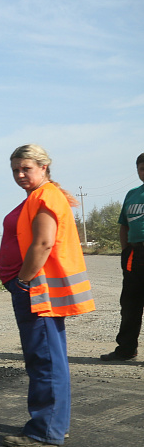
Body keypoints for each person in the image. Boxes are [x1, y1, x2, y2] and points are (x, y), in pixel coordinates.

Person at [0, 144, 95, 447]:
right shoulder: (39, 196)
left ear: (44, 167)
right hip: (36, 290)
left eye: (26, 168)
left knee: (44, 360)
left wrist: (22, 282)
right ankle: (54, 424)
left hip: (38, 291)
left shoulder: (44, 196)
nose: (20, 174)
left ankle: (44, 430)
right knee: (50, 359)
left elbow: (42, 244)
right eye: (15, 169)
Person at [100, 152, 144, 362]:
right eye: (141, 168)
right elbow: (124, 225)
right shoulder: (132, 194)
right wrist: (125, 249)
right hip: (134, 255)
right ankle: (126, 350)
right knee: (129, 304)